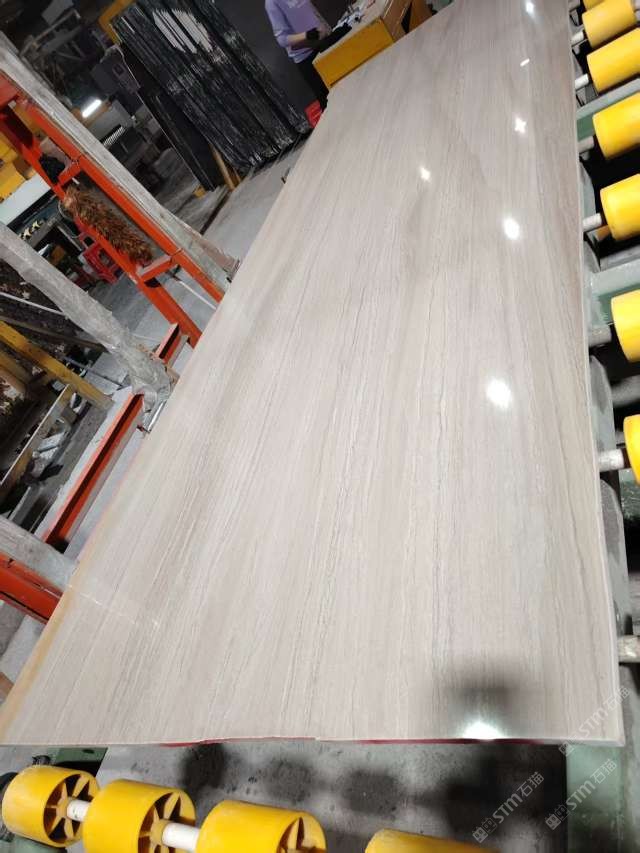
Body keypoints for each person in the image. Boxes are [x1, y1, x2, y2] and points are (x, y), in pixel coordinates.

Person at [265, 0, 332, 110]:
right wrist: (307, 35)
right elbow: (282, 39)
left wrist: (327, 30)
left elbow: (311, 10)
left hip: (324, 44)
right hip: (307, 58)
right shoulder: (271, 3)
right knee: (328, 101)